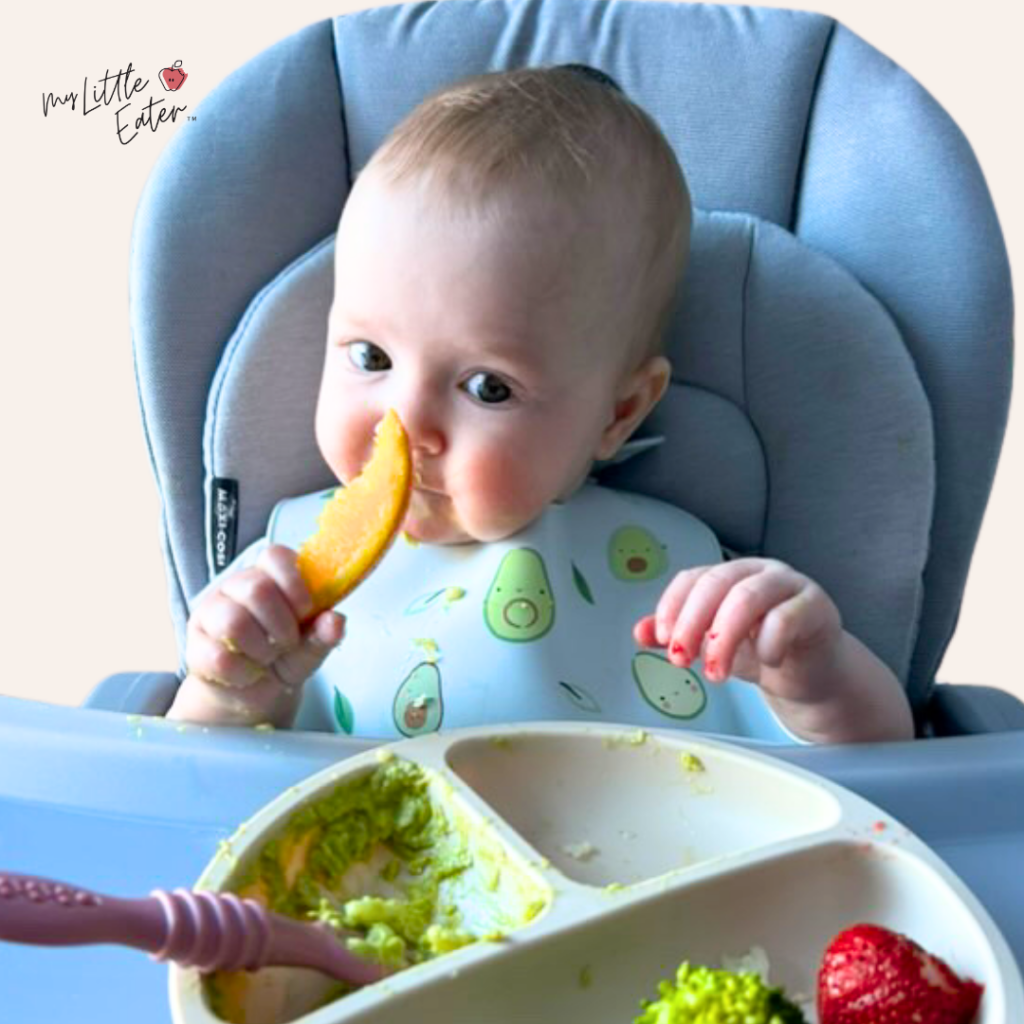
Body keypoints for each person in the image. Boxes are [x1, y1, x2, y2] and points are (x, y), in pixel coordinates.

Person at [166, 65, 914, 744]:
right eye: (372, 358)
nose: (407, 425)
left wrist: (818, 676)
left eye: (488, 388)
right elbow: (193, 781)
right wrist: (227, 696)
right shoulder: (279, 592)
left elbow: (879, 768)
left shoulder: (679, 580)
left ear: (618, 413)